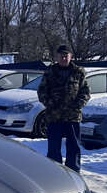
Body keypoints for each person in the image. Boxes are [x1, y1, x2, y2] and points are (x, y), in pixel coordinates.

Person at [37, 44, 90, 173]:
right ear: (57, 57)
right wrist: (50, 103)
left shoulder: (79, 72)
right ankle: (55, 172)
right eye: (61, 56)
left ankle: (73, 172)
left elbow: (85, 92)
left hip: (72, 116)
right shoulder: (50, 72)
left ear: (71, 57)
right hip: (54, 115)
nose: (64, 58)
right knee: (53, 148)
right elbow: (42, 91)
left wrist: (78, 105)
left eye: (66, 56)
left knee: (74, 147)